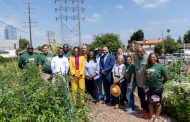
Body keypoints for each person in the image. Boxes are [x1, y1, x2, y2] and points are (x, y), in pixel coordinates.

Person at [145, 53, 168, 122]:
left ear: (156, 58)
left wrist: (161, 83)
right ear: (149, 58)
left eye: (154, 57)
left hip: (158, 88)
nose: (152, 59)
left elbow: (166, 77)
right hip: (149, 88)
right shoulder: (147, 66)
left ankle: (157, 117)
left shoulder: (160, 66)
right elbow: (146, 77)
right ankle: (152, 116)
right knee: (150, 102)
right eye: (151, 57)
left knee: (157, 103)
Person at [134, 47, 150, 118]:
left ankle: (148, 111)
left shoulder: (147, 58)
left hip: (145, 83)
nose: (139, 53)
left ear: (144, 51)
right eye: (138, 52)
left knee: (146, 97)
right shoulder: (136, 59)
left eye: (140, 52)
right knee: (141, 96)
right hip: (139, 82)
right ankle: (143, 109)